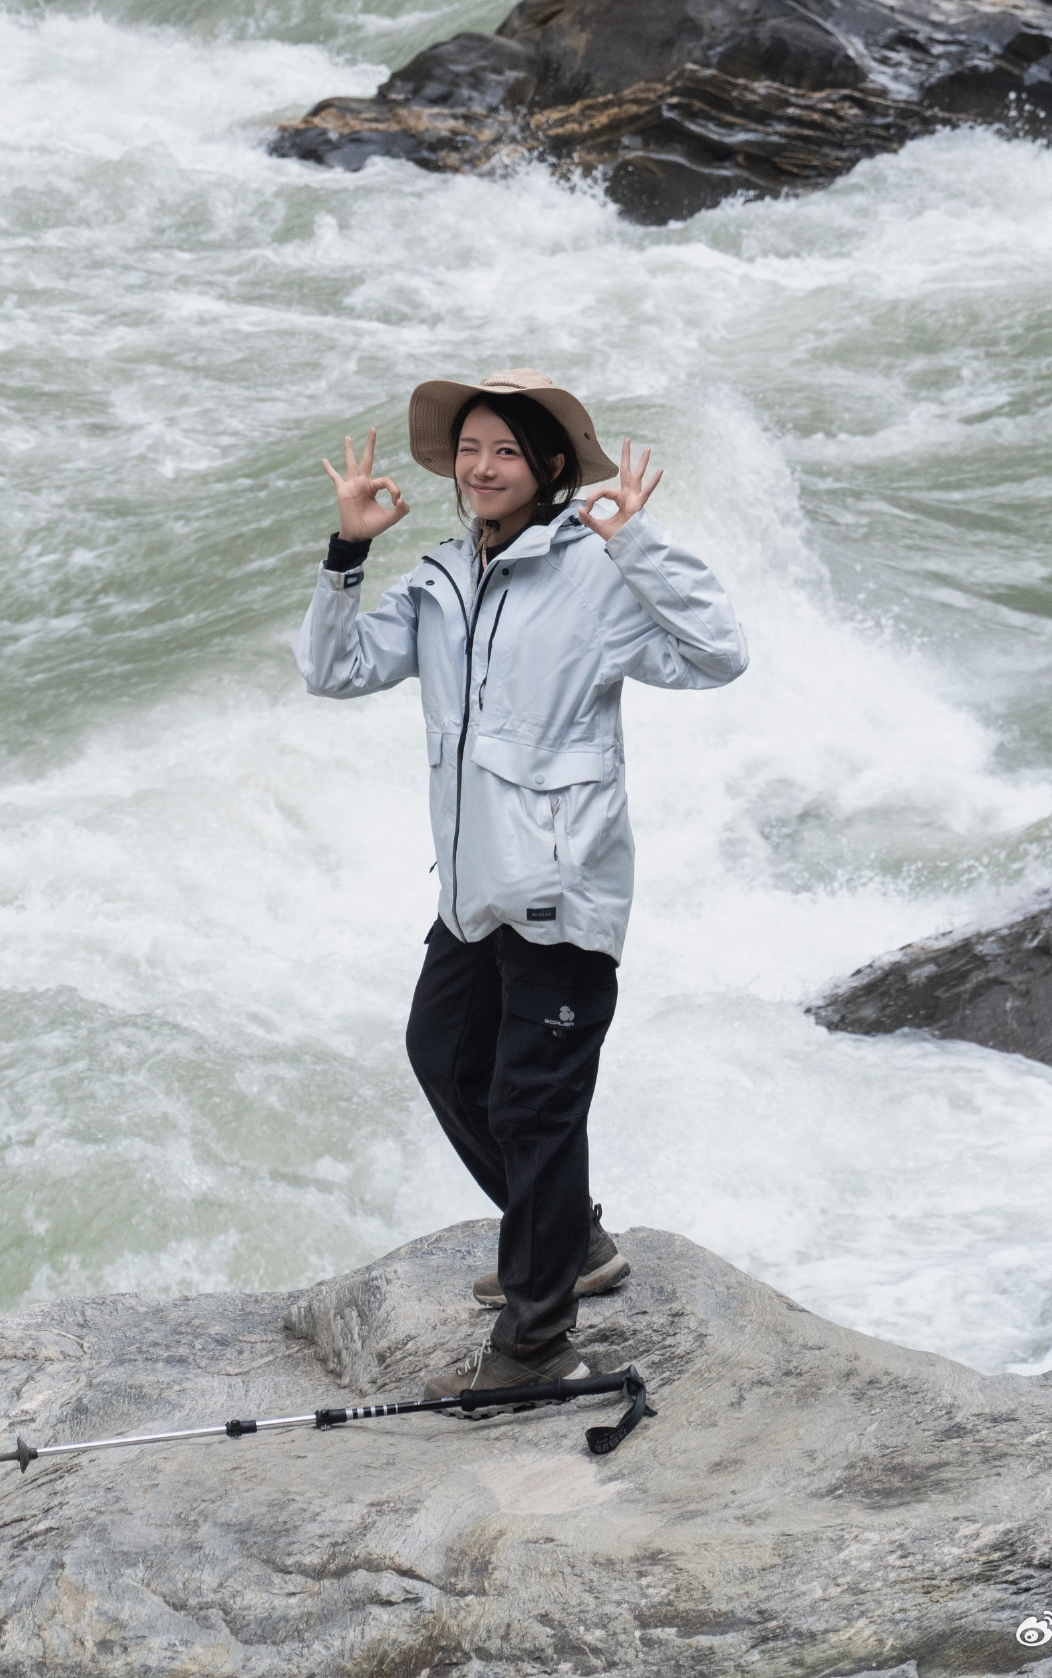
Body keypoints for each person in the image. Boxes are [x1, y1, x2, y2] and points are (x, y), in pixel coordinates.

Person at [295, 366, 747, 1393]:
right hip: (470, 893)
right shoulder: (442, 580)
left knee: (531, 1103)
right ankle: (570, 1243)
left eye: (505, 450)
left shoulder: (595, 575)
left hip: (560, 889)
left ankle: (536, 1342)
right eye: (469, 449)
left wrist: (635, 541)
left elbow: (717, 652)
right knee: (442, 1055)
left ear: (547, 468)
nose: (481, 467)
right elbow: (332, 671)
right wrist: (346, 553)